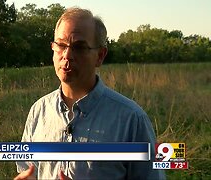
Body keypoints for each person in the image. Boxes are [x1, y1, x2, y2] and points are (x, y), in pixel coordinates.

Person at [14, 7, 166, 180]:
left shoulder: (132, 120)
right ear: (53, 49)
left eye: (79, 47)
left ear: (100, 56)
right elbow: (27, 170)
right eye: (61, 45)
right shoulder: (38, 111)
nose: (67, 55)